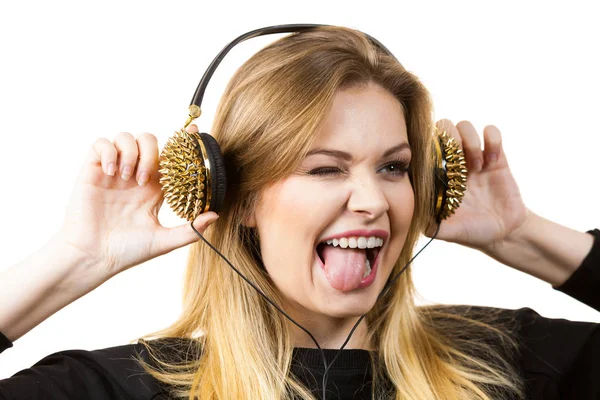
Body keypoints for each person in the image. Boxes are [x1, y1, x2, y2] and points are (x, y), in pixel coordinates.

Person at [0, 25, 598, 400]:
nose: (373, 201)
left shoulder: (508, 363)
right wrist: (75, 260)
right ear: (237, 198)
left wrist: (524, 236)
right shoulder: (124, 387)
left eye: (393, 168)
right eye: (325, 169)